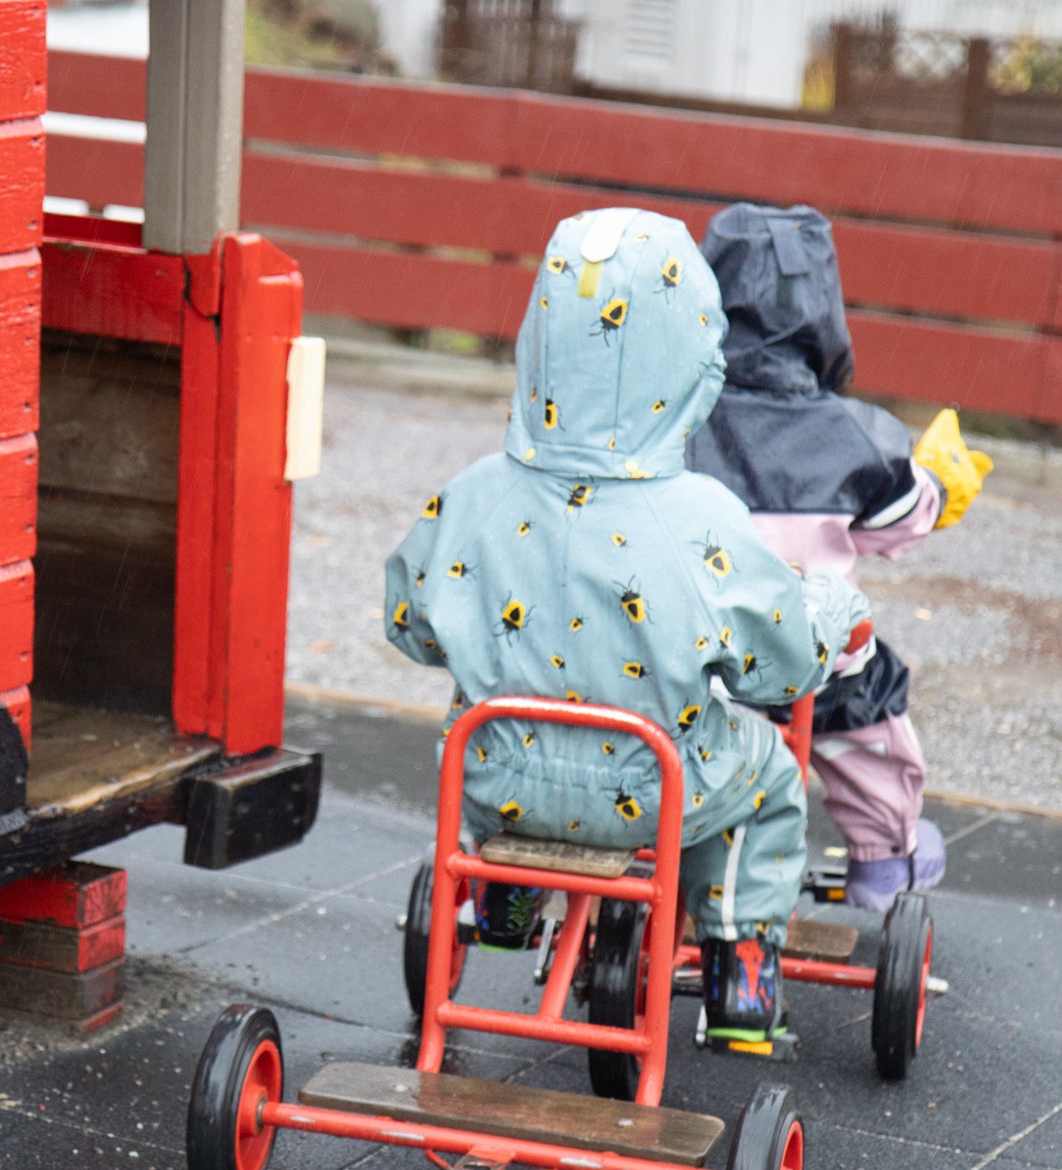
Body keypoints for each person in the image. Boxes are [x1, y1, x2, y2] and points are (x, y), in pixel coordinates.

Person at [384, 207, 870, 1056]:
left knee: (495, 727)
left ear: (539, 342)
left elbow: (409, 624)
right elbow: (780, 668)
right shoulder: (702, 521)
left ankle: (505, 897)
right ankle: (741, 977)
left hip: (496, 773)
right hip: (651, 792)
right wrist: (829, 614)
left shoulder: (475, 495)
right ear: (691, 363)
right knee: (766, 779)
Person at [685, 203, 991, 911]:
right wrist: (940, 483)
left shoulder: (681, 416)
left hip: (692, 654)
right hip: (806, 664)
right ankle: (884, 854)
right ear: (824, 315)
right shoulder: (855, 437)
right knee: (870, 696)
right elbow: (902, 519)